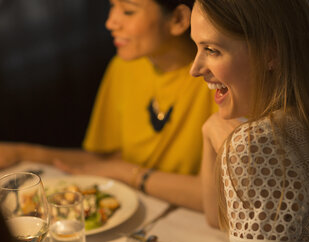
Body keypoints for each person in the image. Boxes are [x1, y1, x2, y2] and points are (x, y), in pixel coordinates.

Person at [0, 0, 217, 211]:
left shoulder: (218, 80)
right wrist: (22, 153)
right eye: (113, 6)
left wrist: (129, 173)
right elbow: (107, 160)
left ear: (178, 19)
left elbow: (216, 197)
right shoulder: (124, 67)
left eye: (128, 11)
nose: (110, 22)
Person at [190, 0, 309, 242]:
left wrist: (240, 149)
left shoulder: (260, 144)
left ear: (271, 52)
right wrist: (211, 130)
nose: (195, 69)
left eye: (212, 50)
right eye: (197, 48)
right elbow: (218, 220)